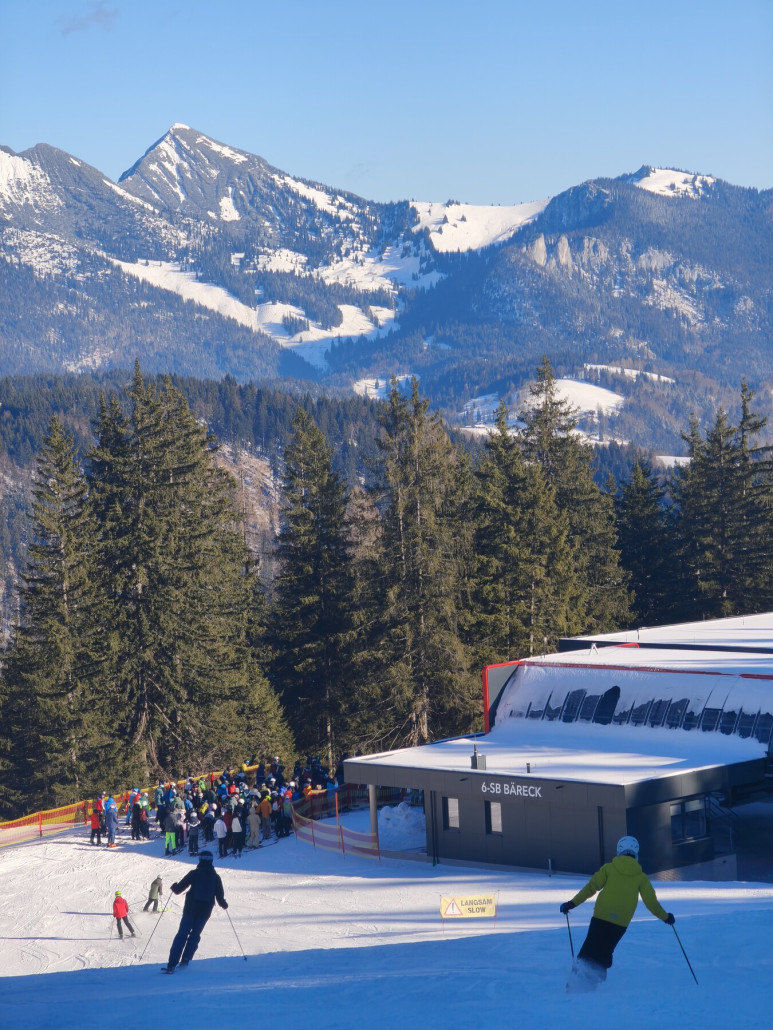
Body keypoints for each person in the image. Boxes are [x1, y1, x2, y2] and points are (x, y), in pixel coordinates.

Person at [560, 835, 675, 988]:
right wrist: (666, 917)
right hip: (621, 921)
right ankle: (597, 986)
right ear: (636, 853)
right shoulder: (641, 878)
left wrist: (572, 903)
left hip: (601, 915)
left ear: (619, 851)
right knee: (605, 951)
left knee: (590, 947)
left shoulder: (609, 868)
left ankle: (575, 984)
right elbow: (651, 903)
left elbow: (591, 888)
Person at [161, 850, 228, 973]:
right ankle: (186, 961)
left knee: (182, 934)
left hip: (190, 909)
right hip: (205, 911)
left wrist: (174, 885)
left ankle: (172, 964)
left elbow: (178, 890)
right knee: (195, 935)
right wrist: (224, 905)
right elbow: (220, 898)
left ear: (200, 860)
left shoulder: (194, 874)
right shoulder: (216, 877)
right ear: (211, 861)